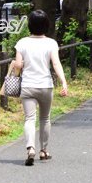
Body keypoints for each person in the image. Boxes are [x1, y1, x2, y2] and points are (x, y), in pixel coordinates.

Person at [12, 10, 68, 166]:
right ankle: (44, 151)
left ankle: (30, 148)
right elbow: (56, 64)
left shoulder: (22, 43)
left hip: (28, 85)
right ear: (46, 25)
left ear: (30, 25)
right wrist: (63, 81)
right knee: (45, 118)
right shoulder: (51, 43)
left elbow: (17, 66)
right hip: (45, 86)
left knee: (29, 119)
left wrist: (18, 70)